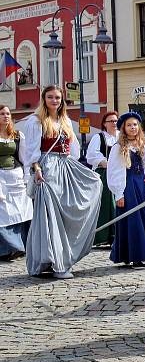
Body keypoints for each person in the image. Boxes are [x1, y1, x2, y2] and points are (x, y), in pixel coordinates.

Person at [22, 86, 102, 279]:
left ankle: (62, 258)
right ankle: (54, 262)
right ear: (44, 99)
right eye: (50, 97)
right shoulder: (36, 120)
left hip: (65, 165)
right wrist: (37, 169)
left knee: (93, 184)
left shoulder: (65, 120)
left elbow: (73, 149)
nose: (54, 100)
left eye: (57, 97)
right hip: (48, 168)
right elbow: (32, 150)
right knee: (50, 216)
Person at [107, 112, 145, 269]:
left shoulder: (142, 146)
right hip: (127, 186)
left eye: (135, 124)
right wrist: (119, 193)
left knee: (142, 219)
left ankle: (139, 254)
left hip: (140, 186)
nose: (132, 127)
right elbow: (114, 171)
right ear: (124, 128)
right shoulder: (118, 147)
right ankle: (131, 256)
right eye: (129, 125)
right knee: (131, 220)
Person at [0, 105, 32, 260]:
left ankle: (20, 246)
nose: (5, 116)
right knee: (3, 213)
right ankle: (9, 248)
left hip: (16, 176)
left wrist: (26, 177)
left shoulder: (17, 135)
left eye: (7, 113)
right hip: (0, 178)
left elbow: (25, 158)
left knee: (20, 211)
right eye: (2, 114)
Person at [86, 111, 118, 246]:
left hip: (119, 174)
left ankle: (117, 235)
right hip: (104, 174)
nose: (114, 123)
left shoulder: (121, 137)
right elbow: (91, 155)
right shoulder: (99, 137)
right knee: (107, 204)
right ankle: (104, 236)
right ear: (104, 124)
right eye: (111, 121)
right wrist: (105, 162)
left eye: (116, 121)